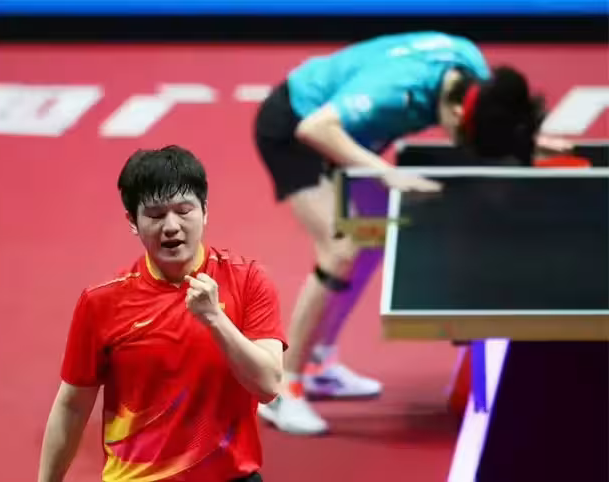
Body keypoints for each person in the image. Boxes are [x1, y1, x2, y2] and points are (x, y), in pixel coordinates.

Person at [253, 31, 557, 436]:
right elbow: (316, 128)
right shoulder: (394, 91)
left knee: (375, 236)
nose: (459, 141)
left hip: (352, 132)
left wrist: (527, 142)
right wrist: (387, 173)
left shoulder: (472, 68)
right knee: (339, 251)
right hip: (296, 125)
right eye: (462, 135)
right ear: (455, 110)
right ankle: (282, 389)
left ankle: (320, 363)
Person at [37, 145, 286, 482]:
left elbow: (268, 385)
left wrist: (215, 319)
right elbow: (72, 406)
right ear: (132, 222)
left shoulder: (248, 281)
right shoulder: (102, 302)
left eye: (184, 211)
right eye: (155, 215)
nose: (171, 226)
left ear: (205, 211)